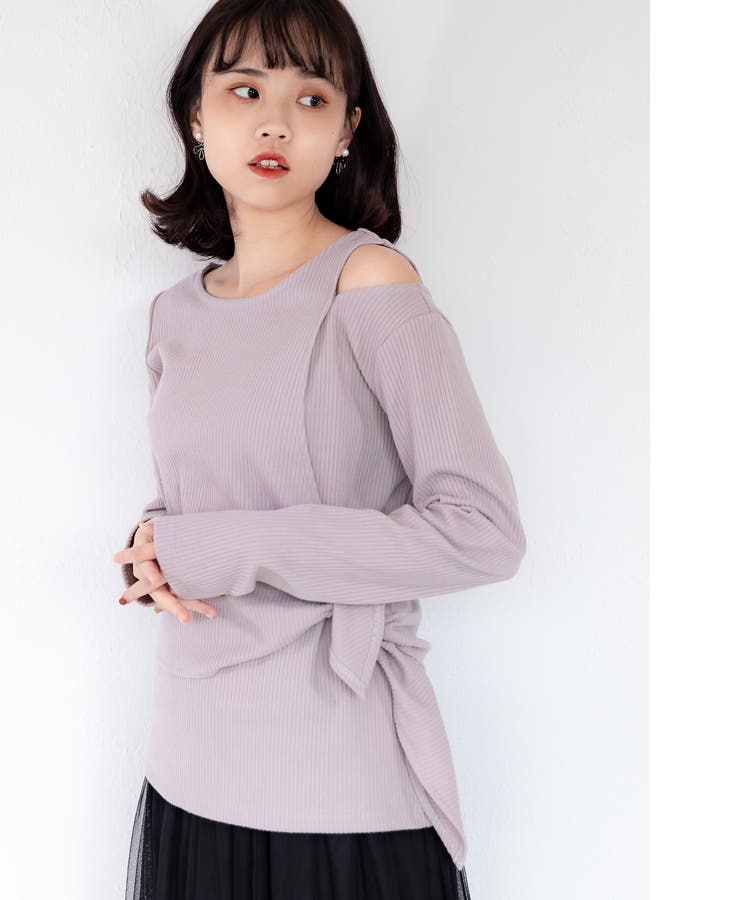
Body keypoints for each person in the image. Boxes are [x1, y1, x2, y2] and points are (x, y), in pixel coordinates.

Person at [112, 1, 526, 897]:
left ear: (346, 132)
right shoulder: (172, 315)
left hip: (336, 761)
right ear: (194, 115)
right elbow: (202, 495)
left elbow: (483, 532)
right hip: (191, 748)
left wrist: (226, 547)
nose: (274, 122)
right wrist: (156, 544)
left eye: (310, 98)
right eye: (244, 90)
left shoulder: (368, 281)